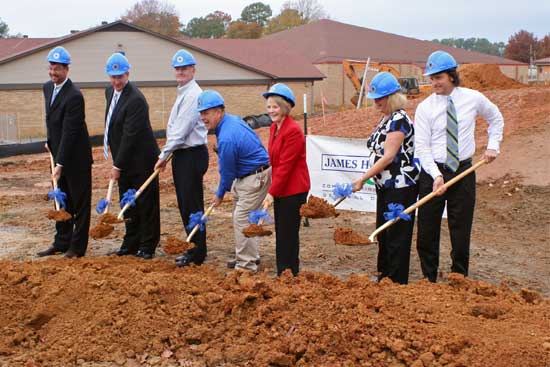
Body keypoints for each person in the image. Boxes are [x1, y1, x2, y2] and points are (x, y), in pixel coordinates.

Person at [415, 50, 504, 282]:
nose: (434, 82)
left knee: (461, 229)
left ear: (452, 76)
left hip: (463, 171)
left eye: (439, 77)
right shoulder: (425, 108)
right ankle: (428, 279)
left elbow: (496, 118)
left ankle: (459, 278)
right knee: (426, 231)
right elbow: (422, 148)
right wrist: (435, 175)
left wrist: (493, 145)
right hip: (432, 173)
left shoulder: (473, 98)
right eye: (432, 78)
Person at [187, 90, 271, 271]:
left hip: (254, 177)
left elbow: (227, 173)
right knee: (245, 218)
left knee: (242, 219)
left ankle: (246, 265)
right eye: (201, 113)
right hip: (250, 174)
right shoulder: (230, 122)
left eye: (206, 113)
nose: (203, 117)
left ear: (218, 112)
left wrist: (219, 194)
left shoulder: (226, 137)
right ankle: (250, 257)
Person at [351, 72, 419, 284]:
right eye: (375, 98)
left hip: (400, 187)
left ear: (392, 97)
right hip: (386, 186)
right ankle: (385, 277)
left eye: (380, 98)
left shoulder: (399, 120)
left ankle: (396, 283)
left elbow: (389, 156)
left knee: (396, 235)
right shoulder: (387, 118)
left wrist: (363, 178)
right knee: (384, 232)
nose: (376, 102)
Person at [103, 52, 161, 260]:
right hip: (124, 158)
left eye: (120, 77)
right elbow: (113, 126)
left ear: (128, 74)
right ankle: (131, 241)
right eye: (113, 77)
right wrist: (117, 160)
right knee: (127, 202)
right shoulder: (109, 92)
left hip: (142, 159)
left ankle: (148, 244)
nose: (116, 81)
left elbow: (130, 136)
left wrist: (117, 166)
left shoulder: (136, 99)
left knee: (146, 203)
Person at [37, 46, 93, 259]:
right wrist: (50, 142)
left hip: (76, 158)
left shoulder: (75, 96)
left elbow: (71, 132)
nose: (53, 73)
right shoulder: (47, 88)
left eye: (58, 69)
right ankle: (61, 242)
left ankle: (77, 248)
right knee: (61, 200)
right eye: (51, 68)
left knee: (79, 203)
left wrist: (60, 164)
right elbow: (52, 121)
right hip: (57, 153)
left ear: (67, 69)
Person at [154, 50, 209, 267]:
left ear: (193, 70)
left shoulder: (193, 95)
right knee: (186, 204)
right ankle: (194, 247)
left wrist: (163, 156)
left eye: (184, 68)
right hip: (182, 154)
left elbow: (181, 131)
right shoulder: (183, 92)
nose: (180, 72)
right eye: (177, 69)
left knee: (192, 205)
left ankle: (196, 252)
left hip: (191, 155)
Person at [261, 84, 310, 276]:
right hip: (282, 187)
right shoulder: (275, 127)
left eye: (275, 106)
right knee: (281, 232)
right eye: (269, 107)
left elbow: (286, 166)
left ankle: (290, 273)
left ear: (285, 107)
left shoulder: (293, 131)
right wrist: (273, 189)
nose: (271, 111)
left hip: (294, 189)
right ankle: (284, 271)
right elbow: (274, 160)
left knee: (288, 233)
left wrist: (271, 193)